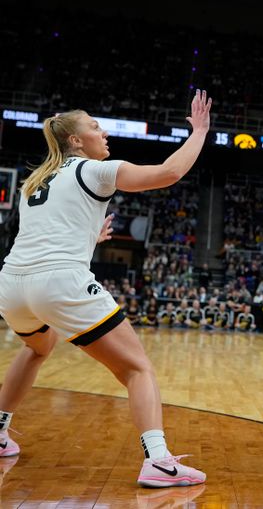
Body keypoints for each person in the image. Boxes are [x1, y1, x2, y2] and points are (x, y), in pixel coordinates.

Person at [0, 90, 211, 487]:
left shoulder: (34, 180)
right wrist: (199, 131)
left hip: (11, 284)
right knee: (137, 368)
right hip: (59, 280)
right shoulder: (92, 171)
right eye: (95, 127)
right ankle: (159, 461)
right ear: (76, 141)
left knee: (36, 347)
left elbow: (45, 234)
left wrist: (87, 240)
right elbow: (168, 173)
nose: (104, 133)